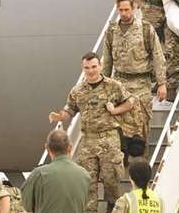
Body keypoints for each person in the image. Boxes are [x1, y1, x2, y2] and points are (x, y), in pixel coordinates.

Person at [48, 51, 135, 213]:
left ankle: (112, 208)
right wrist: (59, 116)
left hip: (109, 139)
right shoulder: (78, 90)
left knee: (111, 181)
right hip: (88, 141)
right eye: (87, 68)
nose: (91, 71)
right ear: (83, 69)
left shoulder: (113, 86)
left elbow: (131, 102)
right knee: (87, 182)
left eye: (94, 67)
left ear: (100, 66)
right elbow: (70, 109)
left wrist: (115, 110)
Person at [102, 0, 166, 154]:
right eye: (121, 10)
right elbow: (107, 60)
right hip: (119, 84)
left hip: (141, 85)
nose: (124, 13)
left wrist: (162, 83)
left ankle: (142, 168)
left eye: (127, 10)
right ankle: (122, 165)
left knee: (142, 127)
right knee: (118, 128)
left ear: (134, 8)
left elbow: (158, 56)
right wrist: (103, 86)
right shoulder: (111, 31)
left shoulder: (145, 29)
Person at [21, 129, 91, 213]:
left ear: (47, 148)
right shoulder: (84, 175)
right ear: (70, 148)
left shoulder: (39, 174)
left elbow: (27, 205)